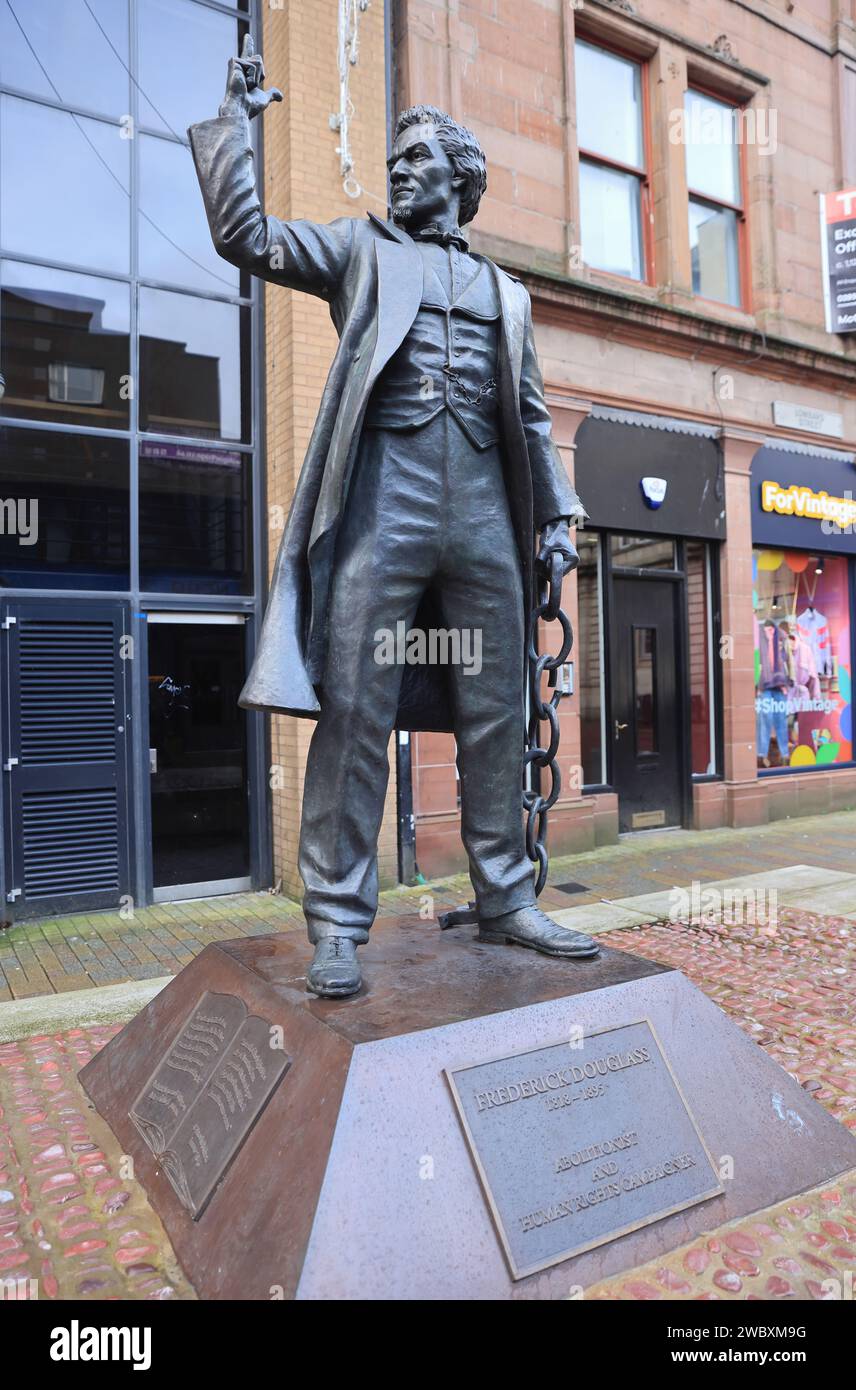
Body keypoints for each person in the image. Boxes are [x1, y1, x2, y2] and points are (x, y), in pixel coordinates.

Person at [188, 38, 599, 996]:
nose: (398, 173)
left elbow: (532, 419)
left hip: (487, 516)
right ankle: (337, 917)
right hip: (389, 503)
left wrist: (556, 520)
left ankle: (506, 896)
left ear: (460, 178)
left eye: (416, 161)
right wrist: (235, 129)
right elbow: (250, 237)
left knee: (498, 709)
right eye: (394, 162)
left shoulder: (507, 293)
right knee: (357, 708)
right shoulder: (359, 249)